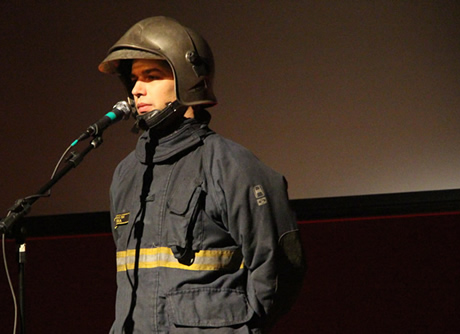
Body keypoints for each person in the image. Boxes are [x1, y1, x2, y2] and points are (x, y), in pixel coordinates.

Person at [99, 16, 306, 334]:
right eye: (134, 79)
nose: (137, 90)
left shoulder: (232, 166)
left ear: (186, 78)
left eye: (151, 76)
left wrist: (238, 327)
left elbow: (278, 267)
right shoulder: (126, 174)